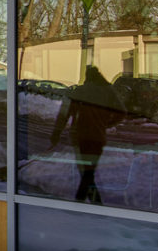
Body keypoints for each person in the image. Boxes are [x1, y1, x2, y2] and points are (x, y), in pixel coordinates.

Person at [49, 65, 129, 205]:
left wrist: (56, 133)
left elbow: (63, 114)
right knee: (88, 171)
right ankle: (90, 203)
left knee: (86, 172)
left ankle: (89, 204)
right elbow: (122, 112)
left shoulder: (79, 91)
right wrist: (106, 123)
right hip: (98, 136)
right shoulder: (108, 91)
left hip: (80, 136)